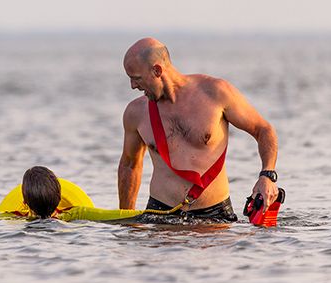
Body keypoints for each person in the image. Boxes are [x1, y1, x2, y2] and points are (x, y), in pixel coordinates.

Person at [118, 38, 279, 223]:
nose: (132, 86)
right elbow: (129, 165)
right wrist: (128, 222)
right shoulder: (136, 113)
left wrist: (267, 175)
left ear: (157, 70)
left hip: (216, 216)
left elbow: (263, 130)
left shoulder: (215, 93)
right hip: (159, 215)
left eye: (136, 78)